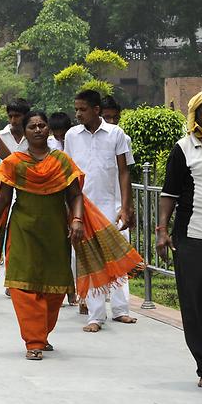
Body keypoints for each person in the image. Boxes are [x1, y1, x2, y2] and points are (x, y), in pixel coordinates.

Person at [0, 110, 142, 360]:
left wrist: (77, 220)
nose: (38, 130)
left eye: (41, 125)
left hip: (57, 231)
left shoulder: (62, 162)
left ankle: (42, 334)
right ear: (25, 131)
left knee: (55, 288)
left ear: (47, 129)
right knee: (23, 285)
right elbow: (2, 197)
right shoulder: (14, 163)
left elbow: (75, 194)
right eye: (32, 126)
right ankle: (33, 340)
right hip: (23, 230)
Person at [157, 90, 202, 390]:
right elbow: (170, 193)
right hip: (196, 236)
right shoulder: (185, 148)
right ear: (195, 115)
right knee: (199, 304)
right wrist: (161, 230)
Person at [64, 89, 136, 332]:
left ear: (96, 110)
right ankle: (95, 316)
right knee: (90, 259)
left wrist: (126, 207)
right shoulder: (72, 136)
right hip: (83, 206)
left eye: (83, 109)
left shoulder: (117, 134)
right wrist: (71, 210)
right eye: (77, 109)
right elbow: (69, 173)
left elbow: (124, 172)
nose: (78, 114)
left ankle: (121, 310)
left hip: (111, 205)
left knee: (117, 256)